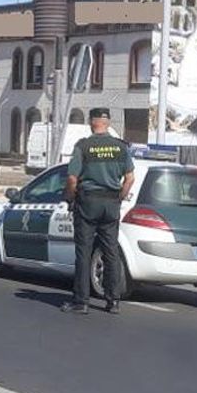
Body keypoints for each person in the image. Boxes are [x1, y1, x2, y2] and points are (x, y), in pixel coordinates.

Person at [62, 107, 135, 315]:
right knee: (111, 252)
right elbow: (130, 178)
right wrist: (119, 197)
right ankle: (113, 301)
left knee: (83, 252)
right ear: (108, 122)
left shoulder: (83, 147)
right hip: (111, 204)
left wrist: (70, 196)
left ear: (91, 123)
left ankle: (81, 301)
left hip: (88, 202)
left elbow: (71, 178)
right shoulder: (121, 148)